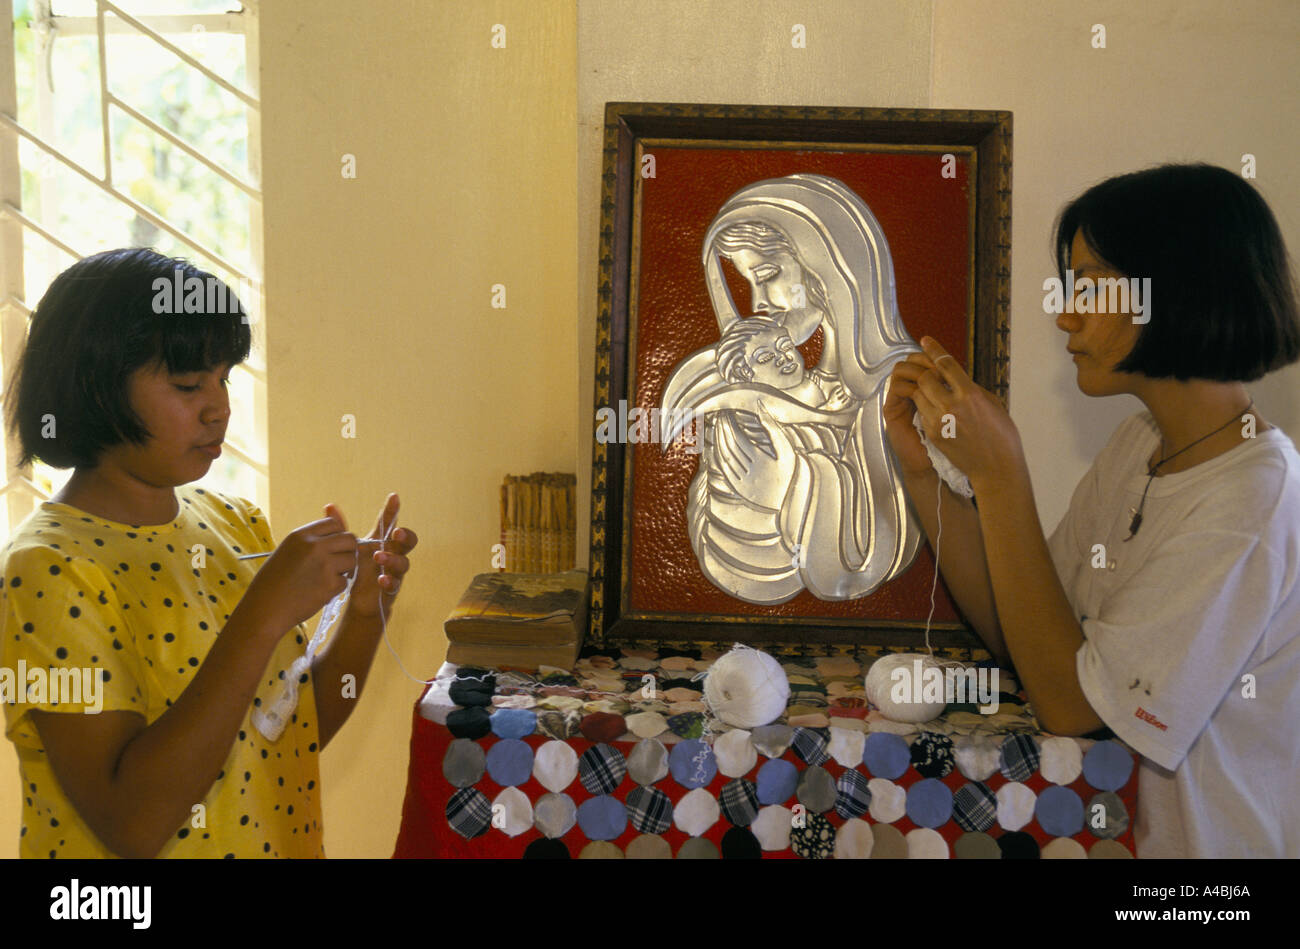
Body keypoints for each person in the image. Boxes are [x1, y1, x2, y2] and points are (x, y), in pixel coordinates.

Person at [884, 163, 1300, 858]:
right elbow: (1028, 638)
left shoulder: (1253, 496)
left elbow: (1071, 706)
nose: (1065, 313)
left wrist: (1005, 471)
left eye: (1089, 285)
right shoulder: (1140, 445)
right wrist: (928, 474)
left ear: (1171, 290)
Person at [0, 248, 418, 858]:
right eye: (188, 383)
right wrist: (265, 613)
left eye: (224, 378)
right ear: (94, 387)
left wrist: (360, 616)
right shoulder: (48, 570)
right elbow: (132, 823)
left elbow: (287, 741)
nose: (218, 406)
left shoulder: (237, 523)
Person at [661, 174, 923, 603]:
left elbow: (888, 538)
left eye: (766, 275)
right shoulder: (761, 392)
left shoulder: (899, 388)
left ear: (823, 263)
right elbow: (721, 537)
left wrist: (789, 480)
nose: (757, 302)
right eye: (747, 284)